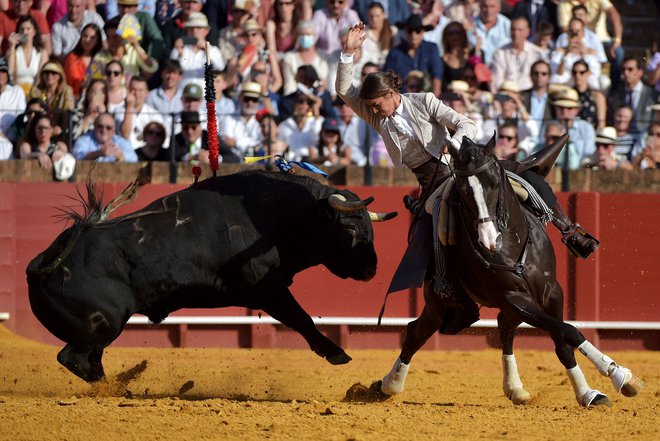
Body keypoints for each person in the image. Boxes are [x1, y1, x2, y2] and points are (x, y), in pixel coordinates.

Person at [337, 22, 599, 300]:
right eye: (373, 107)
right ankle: (443, 282)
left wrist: (454, 143)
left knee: (524, 180)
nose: (375, 110)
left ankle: (568, 230)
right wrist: (347, 53)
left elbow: (466, 123)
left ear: (391, 94)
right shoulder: (378, 116)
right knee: (428, 231)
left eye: (378, 104)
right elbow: (344, 91)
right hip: (432, 182)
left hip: (464, 165)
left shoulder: (424, 101)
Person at [383, 14, 443, 96]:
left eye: (417, 31)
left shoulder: (431, 49)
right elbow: (388, 82)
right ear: (404, 31)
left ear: (422, 32)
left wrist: (434, 102)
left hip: (427, 99)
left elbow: (437, 77)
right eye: (410, 31)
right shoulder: (394, 53)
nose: (413, 35)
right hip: (402, 100)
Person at [489, 16, 546, 93]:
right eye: (513, 29)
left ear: (527, 32)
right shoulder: (500, 53)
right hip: (507, 96)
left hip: (529, 96)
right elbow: (497, 81)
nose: (516, 33)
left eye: (520, 30)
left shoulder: (537, 53)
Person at [607, 57, 658, 135]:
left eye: (630, 69)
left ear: (640, 72)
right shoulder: (615, 96)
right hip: (621, 137)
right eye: (623, 69)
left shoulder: (653, 95)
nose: (626, 73)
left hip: (645, 138)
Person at [27, 60, 75, 138]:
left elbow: (68, 111)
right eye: (46, 73)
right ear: (42, 75)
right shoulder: (35, 91)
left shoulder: (66, 91)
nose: (49, 75)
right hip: (39, 128)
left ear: (59, 76)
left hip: (59, 128)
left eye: (53, 73)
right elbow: (31, 109)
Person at [218, 81, 264, 162]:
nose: (250, 103)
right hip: (232, 163)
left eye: (254, 99)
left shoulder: (261, 121)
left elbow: (258, 144)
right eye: (247, 99)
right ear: (240, 98)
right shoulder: (228, 119)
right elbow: (226, 143)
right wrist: (248, 144)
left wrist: (236, 143)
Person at [551, 87, 596, 170]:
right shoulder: (549, 126)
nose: (564, 111)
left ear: (576, 110)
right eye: (561, 107)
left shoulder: (587, 128)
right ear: (556, 108)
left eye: (569, 108)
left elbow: (589, 155)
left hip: (580, 172)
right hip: (554, 172)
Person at [115, 75, 165, 147]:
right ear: (128, 90)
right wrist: (129, 107)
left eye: (140, 90)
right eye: (133, 90)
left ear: (146, 92)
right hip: (126, 154)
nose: (137, 94)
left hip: (147, 155)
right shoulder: (118, 111)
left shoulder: (155, 114)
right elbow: (125, 134)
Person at [5, 16, 48, 96]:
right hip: (16, 92)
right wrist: (12, 47)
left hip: (35, 92)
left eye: (28, 29)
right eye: (22, 29)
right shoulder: (12, 51)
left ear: (34, 31)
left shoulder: (42, 53)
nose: (25, 32)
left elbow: (40, 77)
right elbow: (11, 73)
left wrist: (32, 93)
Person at [72, 112, 138, 162]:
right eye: (100, 126)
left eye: (108, 127)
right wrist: (98, 153)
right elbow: (77, 157)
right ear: (94, 126)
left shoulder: (121, 141)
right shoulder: (84, 140)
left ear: (113, 129)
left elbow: (134, 159)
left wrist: (121, 155)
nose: (104, 130)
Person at [63, 23, 104, 99]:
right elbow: (71, 79)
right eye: (85, 36)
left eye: (92, 37)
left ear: (97, 40)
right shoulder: (72, 58)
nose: (88, 40)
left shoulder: (101, 59)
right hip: (74, 97)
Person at [469, 0, 511, 65]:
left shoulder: (507, 25)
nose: (488, 11)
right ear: (480, 7)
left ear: (499, 8)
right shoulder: (470, 24)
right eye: (485, 6)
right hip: (476, 68)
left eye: (492, 6)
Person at [571, 59, 606, 130]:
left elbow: (601, 123)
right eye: (575, 72)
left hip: (592, 136)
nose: (578, 76)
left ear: (588, 73)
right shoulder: (568, 94)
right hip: (570, 136)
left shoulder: (597, 96)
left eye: (582, 72)